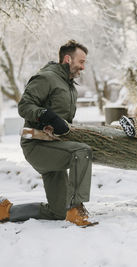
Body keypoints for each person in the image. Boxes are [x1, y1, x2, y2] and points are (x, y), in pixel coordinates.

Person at [0, 40, 96, 227]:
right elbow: (24, 106)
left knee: (57, 212)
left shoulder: (70, 87)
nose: (83, 67)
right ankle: (76, 209)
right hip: (37, 145)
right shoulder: (47, 78)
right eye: (81, 61)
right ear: (68, 59)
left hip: (55, 146)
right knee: (82, 152)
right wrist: (46, 115)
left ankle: (6, 211)